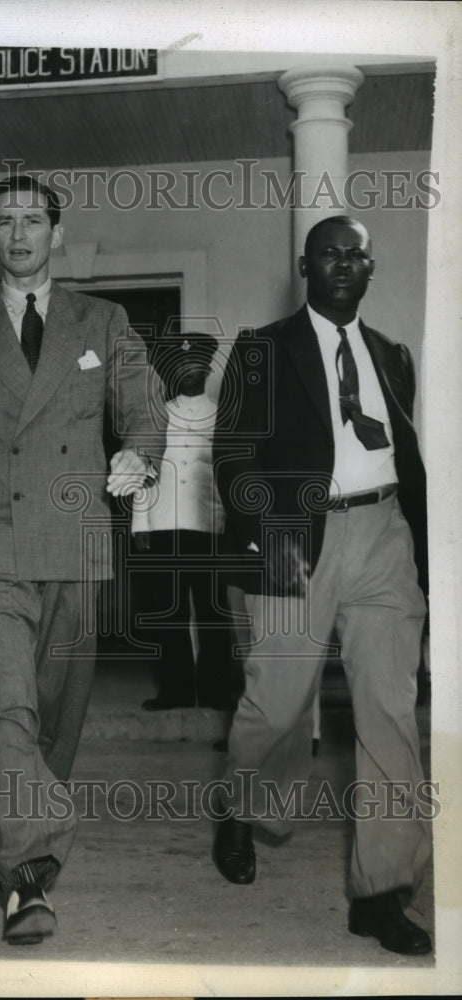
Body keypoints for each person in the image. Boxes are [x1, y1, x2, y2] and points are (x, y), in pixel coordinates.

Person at [0, 174, 164, 945]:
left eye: (34, 219)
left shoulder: (104, 317)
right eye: (5, 220)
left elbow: (142, 405)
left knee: (57, 710)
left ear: (56, 234)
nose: (20, 232)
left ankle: (36, 806)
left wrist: (138, 452)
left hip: (73, 531)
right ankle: (25, 875)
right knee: (8, 701)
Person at [211, 216, 432, 956]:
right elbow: (235, 452)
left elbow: (408, 453)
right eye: (327, 254)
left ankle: (380, 892)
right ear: (305, 267)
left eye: (355, 255)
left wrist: (426, 559)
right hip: (290, 534)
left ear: (370, 269)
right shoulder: (262, 349)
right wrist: (258, 532)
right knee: (274, 703)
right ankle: (241, 806)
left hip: (384, 535)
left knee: (390, 716)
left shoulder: (391, 355)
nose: (341, 264)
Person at [131, 332, 242, 712]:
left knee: (213, 611)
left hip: (208, 526)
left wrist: (231, 526)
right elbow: (144, 470)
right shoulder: (154, 412)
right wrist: (140, 524)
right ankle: (175, 691)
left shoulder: (223, 414)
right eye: (182, 367)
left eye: (196, 366)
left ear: (208, 370)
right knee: (167, 609)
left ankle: (216, 691)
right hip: (163, 525)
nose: (190, 373)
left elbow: (229, 475)